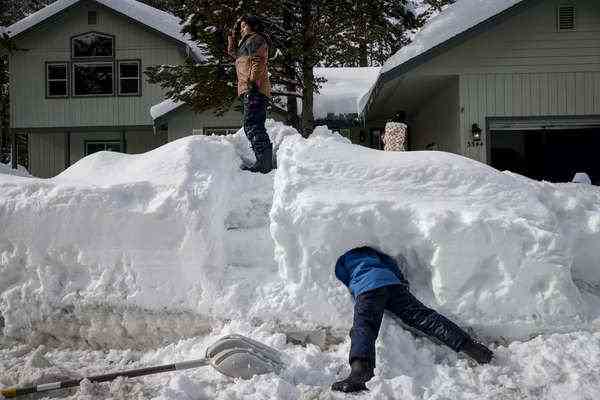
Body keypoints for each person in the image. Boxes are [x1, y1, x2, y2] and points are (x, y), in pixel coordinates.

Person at [332, 246, 493, 393]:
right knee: (424, 317)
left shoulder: (344, 258)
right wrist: (402, 283)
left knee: (364, 326)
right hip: (393, 285)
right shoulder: (375, 254)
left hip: (367, 288)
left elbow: (343, 276)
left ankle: (360, 371)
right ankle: (470, 346)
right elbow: (392, 265)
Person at [227, 15, 274, 174]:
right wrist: (231, 37)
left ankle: (264, 163)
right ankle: (264, 161)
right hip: (251, 88)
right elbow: (235, 54)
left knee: (252, 125)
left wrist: (253, 82)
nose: (241, 29)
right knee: (254, 124)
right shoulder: (246, 43)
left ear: (253, 26)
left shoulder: (256, 39)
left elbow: (258, 60)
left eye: (243, 26)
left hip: (255, 88)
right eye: (240, 27)